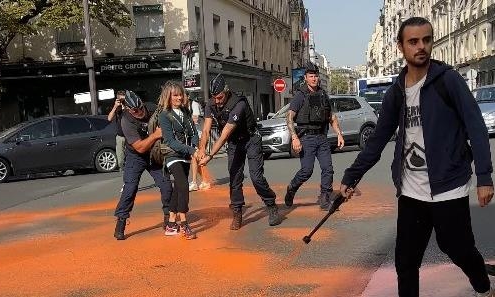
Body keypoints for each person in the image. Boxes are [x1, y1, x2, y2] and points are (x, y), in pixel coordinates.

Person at [339, 17, 494, 297]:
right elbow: (377, 140)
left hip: (449, 186)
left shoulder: (448, 80)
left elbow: (476, 126)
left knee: (457, 247)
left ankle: (483, 286)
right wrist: (352, 176)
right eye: (413, 41)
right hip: (411, 191)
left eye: (427, 39)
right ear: (401, 46)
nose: (421, 47)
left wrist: (484, 176)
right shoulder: (396, 92)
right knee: (406, 261)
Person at [198, 74, 281, 230]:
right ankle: (237, 211)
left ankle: (271, 204)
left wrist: (209, 156)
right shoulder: (211, 104)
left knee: (256, 177)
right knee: (234, 177)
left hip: (250, 139)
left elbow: (224, 135)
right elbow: (206, 129)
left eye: (220, 97)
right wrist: (202, 148)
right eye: (214, 98)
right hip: (234, 142)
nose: (217, 101)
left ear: (226, 91)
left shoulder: (239, 103)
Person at [113, 91, 173, 240]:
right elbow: (139, 147)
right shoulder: (126, 121)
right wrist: (155, 135)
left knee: (166, 185)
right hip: (136, 155)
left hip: (154, 154)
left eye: (140, 108)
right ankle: (121, 221)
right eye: (135, 110)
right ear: (128, 109)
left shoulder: (153, 109)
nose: (139, 112)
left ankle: (168, 218)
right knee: (130, 188)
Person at [284, 61, 344, 210]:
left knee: (328, 168)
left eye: (316, 76)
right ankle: (291, 188)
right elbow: (289, 117)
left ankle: (325, 199)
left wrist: (339, 134)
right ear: (306, 78)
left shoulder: (323, 95)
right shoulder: (300, 95)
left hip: (322, 138)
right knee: (306, 171)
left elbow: (331, 117)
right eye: (311, 76)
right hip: (306, 138)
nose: (314, 79)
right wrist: (294, 137)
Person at [158, 81, 199, 239]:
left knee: (177, 190)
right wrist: (192, 150)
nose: (179, 97)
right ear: (168, 96)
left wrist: (194, 146)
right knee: (183, 186)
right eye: (175, 95)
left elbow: (194, 132)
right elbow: (170, 141)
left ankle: (170, 223)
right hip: (172, 155)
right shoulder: (164, 115)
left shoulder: (185, 111)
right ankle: (184, 223)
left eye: (181, 94)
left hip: (186, 155)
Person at [188, 96, 211, 191]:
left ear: (187, 96)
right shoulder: (183, 106)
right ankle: (202, 181)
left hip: (200, 136)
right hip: (192, 136)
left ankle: (199, 182)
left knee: (197, 158)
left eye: (182, 95)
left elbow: (196, 119)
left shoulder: (194, 105)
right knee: (194, 159)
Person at [108, 91, 126, 173]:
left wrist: (125, 106)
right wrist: (115, 106)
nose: (122, 101)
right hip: (120, 136)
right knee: (120, 160)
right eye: (120, 99)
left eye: (123, 99)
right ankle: (124, 174)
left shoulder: (129, 107)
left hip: (130, 136)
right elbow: (109, 118)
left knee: (131, 159)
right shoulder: (117, 109)